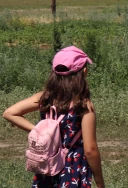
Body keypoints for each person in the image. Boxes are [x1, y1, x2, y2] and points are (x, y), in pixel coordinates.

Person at [2, 46, 105, 188]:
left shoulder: (44, 98)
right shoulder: (84, 105)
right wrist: (100, 182)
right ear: (84, 72)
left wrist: (41, 131)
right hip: (72, 170)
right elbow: (90, 149)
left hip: (47, 168)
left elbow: (9, 113)